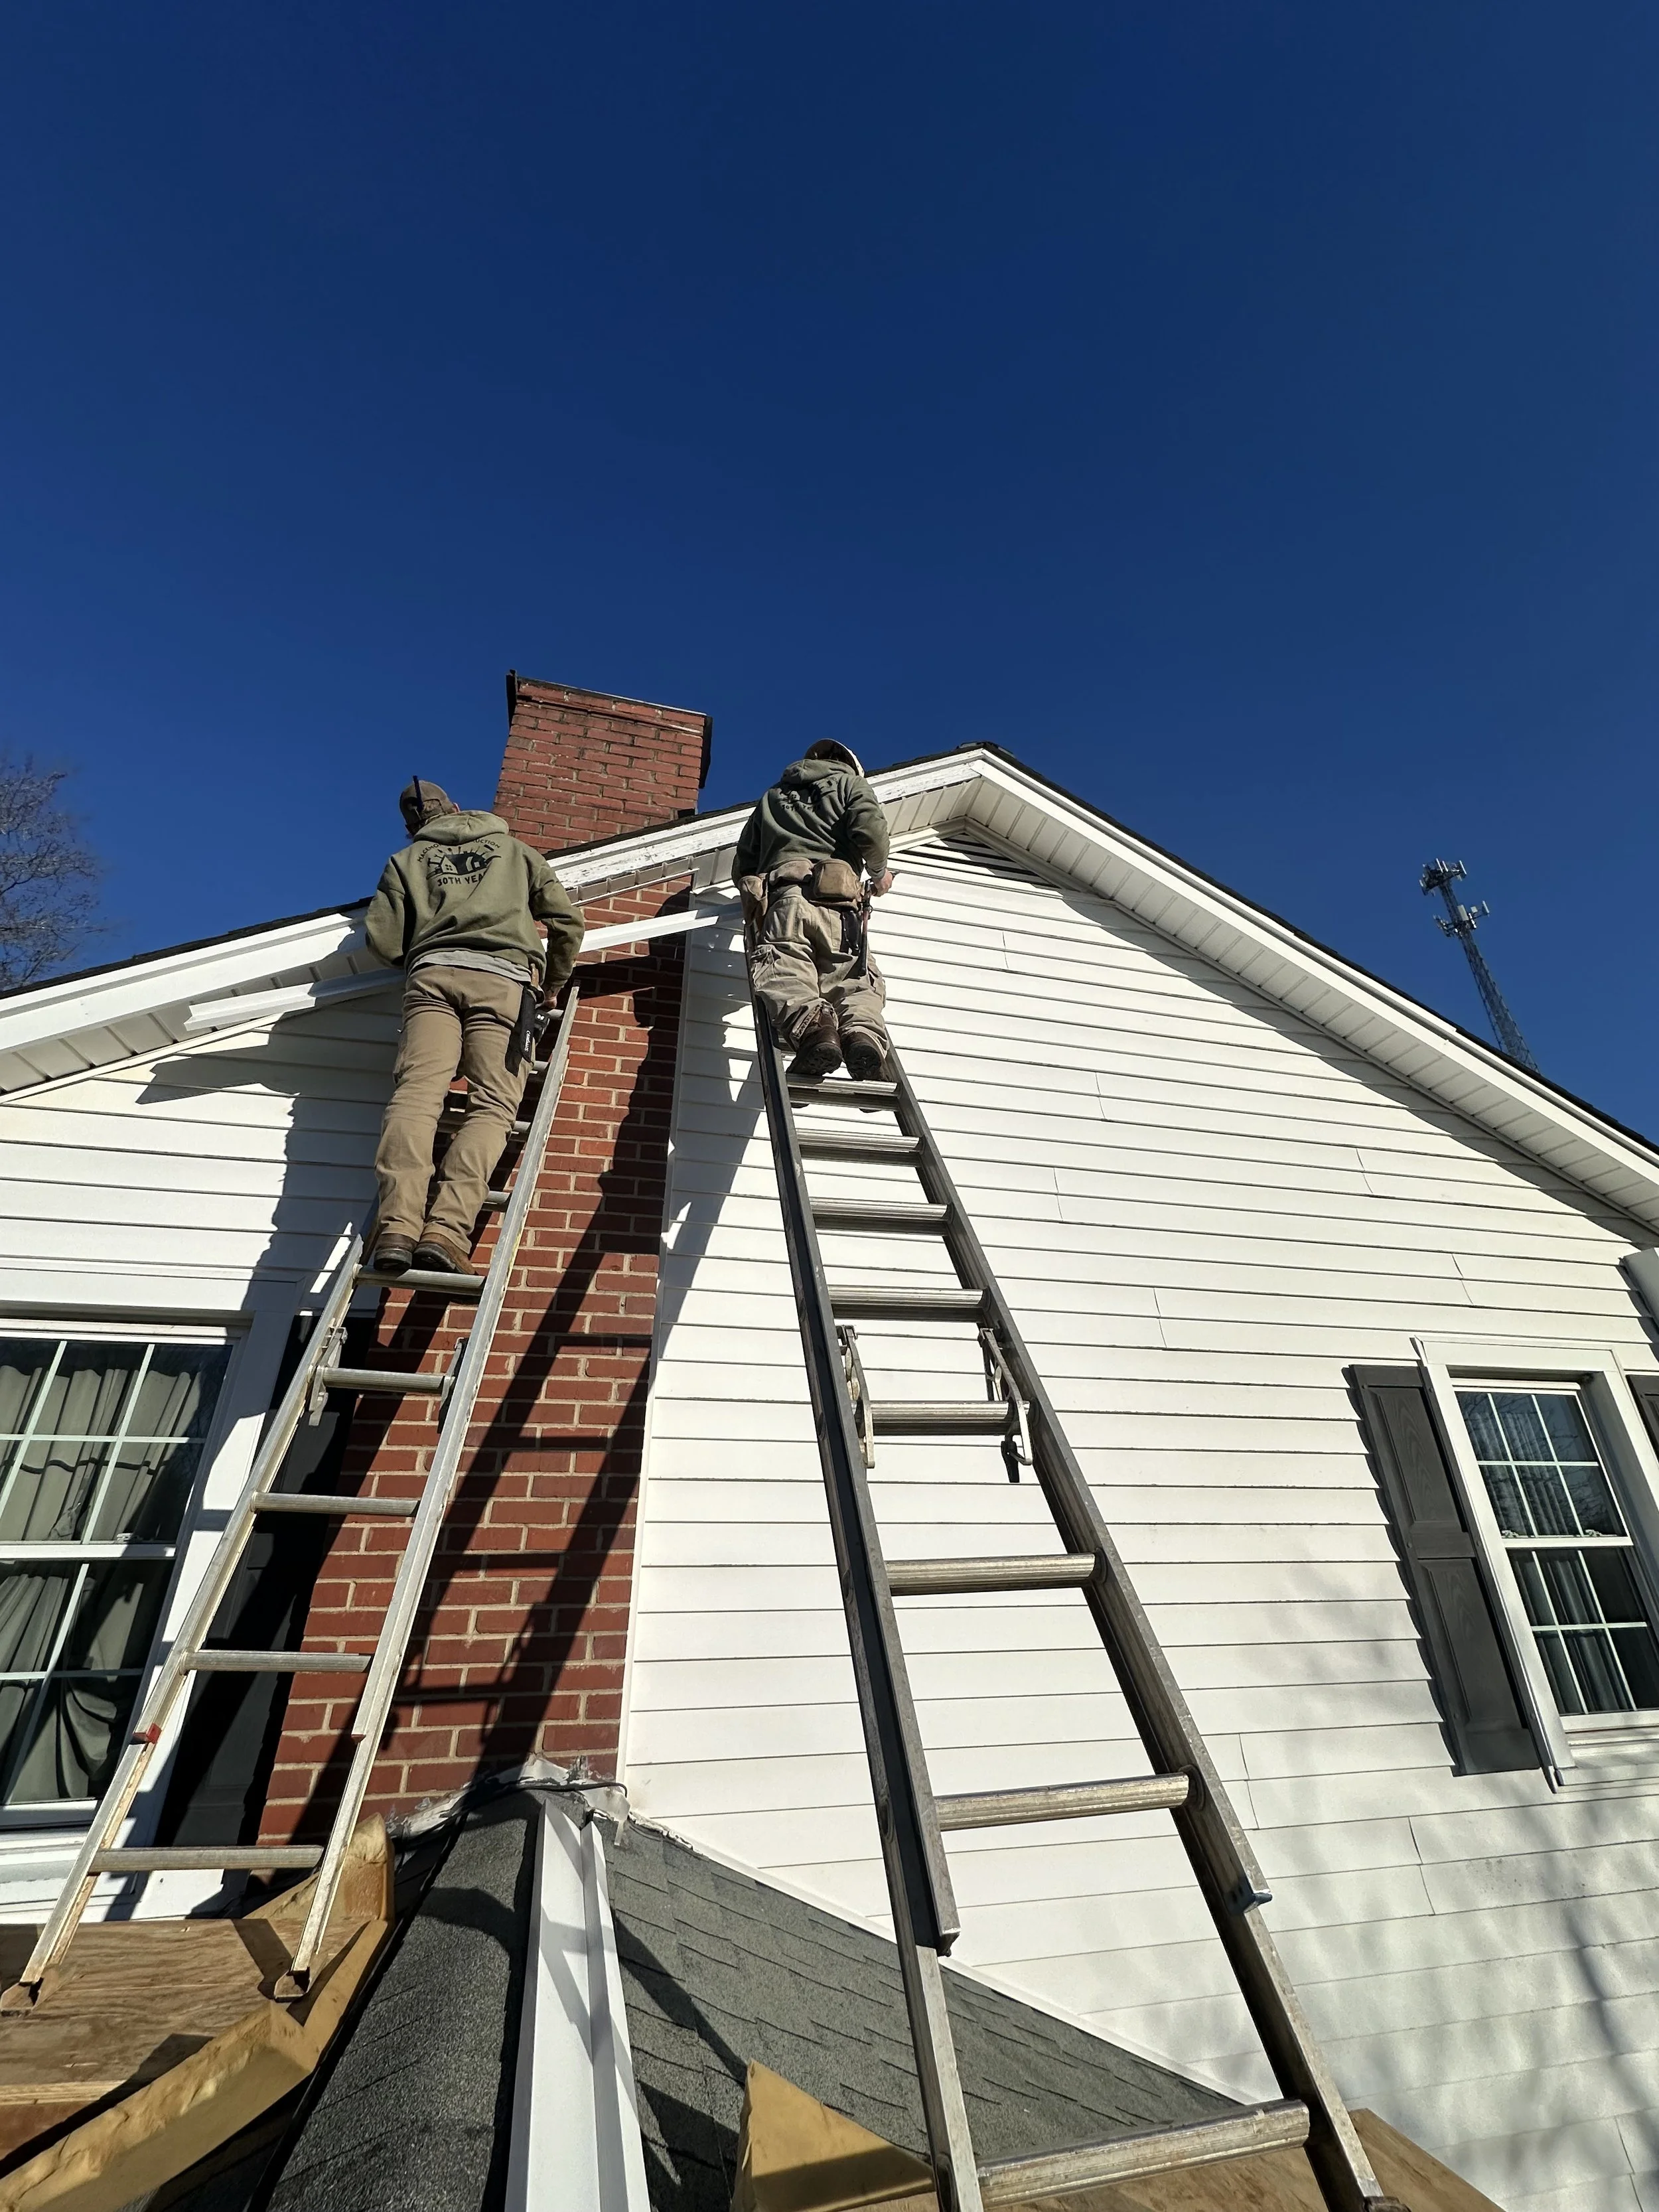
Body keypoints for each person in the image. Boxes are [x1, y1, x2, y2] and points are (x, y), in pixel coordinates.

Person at [364, 778, 585, 1274]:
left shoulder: (406, 862)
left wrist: (424, 951)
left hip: (432, 978)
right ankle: (445, 1229)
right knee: (492, 1107)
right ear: (459, 807)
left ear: (412, 826)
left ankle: (398, 1224)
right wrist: (553, 981)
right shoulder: (515, 851)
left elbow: (380, 938)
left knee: (417, 1096)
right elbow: (567, 922)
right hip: (505, 983)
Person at [733, 741, 895, 1080]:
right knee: (853, 977)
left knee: (786, 967)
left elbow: (743, 864)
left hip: (785, 898)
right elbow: (871, 831)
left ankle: (816, 1033)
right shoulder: (851, 784)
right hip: (841, 908)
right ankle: (861, 1036)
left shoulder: (772, 797)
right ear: (849, 764)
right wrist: (879, 874)